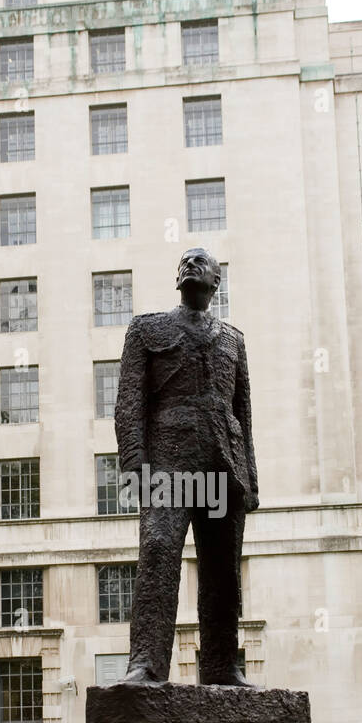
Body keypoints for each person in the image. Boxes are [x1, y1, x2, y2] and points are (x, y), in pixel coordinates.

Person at [113, 246, 259, 686]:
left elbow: (243, 412)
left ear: (217, 282)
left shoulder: (233, 339)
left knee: (223, 569)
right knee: (158, 549)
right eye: (185, 262)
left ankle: (222, 665)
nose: (190, 266)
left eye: (202, 263)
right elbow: (128, 404)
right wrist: (134, 464)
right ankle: (146, 663)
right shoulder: (146, 330)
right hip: (168, 466)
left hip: (223, 467)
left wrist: (250, 479)